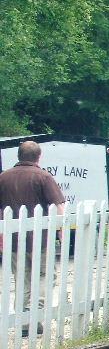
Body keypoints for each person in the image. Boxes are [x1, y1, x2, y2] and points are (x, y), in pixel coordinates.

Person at [0, 141, 66, 336]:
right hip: (41, 240)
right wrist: (62, 231)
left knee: (22, 278)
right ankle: (35, 314)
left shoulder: (3, 178)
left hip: (14, 241)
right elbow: (59, 206)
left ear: (18, 156)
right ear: (39, 156)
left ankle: (22, 320)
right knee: (45, 276)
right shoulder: (43, 177)